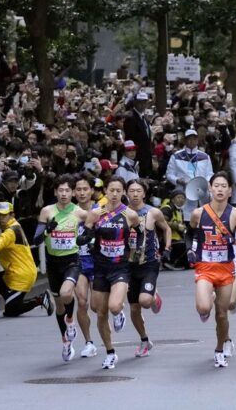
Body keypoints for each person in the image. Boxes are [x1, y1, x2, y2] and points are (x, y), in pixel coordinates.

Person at [186, 172, 236, 368]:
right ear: (210, 189)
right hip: (205, 267)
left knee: (222, 313)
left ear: (230, 191)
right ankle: (206, 301)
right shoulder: (198, 213)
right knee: (204, 308)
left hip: (226, 268)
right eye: (216, 186)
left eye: (224, 186)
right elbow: (190, 234)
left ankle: (220, 349)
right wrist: (190, 249)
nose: (220, 189)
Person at [78, 177, 140, 370]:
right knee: (99, 311)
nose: (114, 194)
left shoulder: (130, 215)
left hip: (120, 267)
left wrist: (136, 255)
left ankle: (119, 311)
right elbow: (86, 234)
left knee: (113, 306)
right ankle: (110, 352)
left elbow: (138, 237)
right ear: (105, 190)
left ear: (123, 192)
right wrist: (83, 238)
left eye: (118, 190)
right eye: (111, 190)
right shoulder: (95, 214)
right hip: (101, 268)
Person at [34, 176, 88, 361]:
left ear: (73, 193)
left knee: (67, 294)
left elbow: (92, 230)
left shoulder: (80, 213)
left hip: (72, 261)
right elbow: (37, 240)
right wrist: (47, 229)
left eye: (67, 191)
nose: (64, 194)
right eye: (60, 190)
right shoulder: (47, 211)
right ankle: (65, 341)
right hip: (53, 263)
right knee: (59, 305)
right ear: (56, 192)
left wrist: (86, 239)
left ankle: (71, 321)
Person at [124, 179, 171, 358]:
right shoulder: (122, 213)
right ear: (126, 193)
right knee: (134, 309)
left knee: (144, 301)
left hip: (149, 263)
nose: (135, 194)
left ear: (144, 193)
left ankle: (152, 296)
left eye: (138, 191)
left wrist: (166, 248)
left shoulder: (153, 212)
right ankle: (144, 340)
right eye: (131, 191)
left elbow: (166, 229)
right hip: (128, 266)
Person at [0, 201, 51, 318]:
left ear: (12, 215)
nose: (0, 218)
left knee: (10, 311)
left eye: (4, 215)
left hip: (21, 276)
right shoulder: (14, 225)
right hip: (15, 272)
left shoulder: (10, 231)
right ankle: (12, 299)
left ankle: (39, 299)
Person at [72, 175, 99, 357]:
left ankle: (118, 309)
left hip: (98, 262)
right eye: (78, 189)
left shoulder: (99, 211)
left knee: (97, 307)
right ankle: (88, 342)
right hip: (78, 262)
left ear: (91, 191)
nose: (82, 193)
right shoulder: (69, 212)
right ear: (74, 192)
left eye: (85, 189)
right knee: (82, 302)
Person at [166, 128, 214, 220]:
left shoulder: (205, 156)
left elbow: (209, 173)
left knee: (202, 217)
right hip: (183, 191)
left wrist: (207, 182)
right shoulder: (176, 156)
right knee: (185, 217)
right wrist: (177, 180)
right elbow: (169, 174)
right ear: (185, 140)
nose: (192, 141)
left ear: (197, 140)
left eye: (194, 138)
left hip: (201, 191)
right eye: (189, 138)